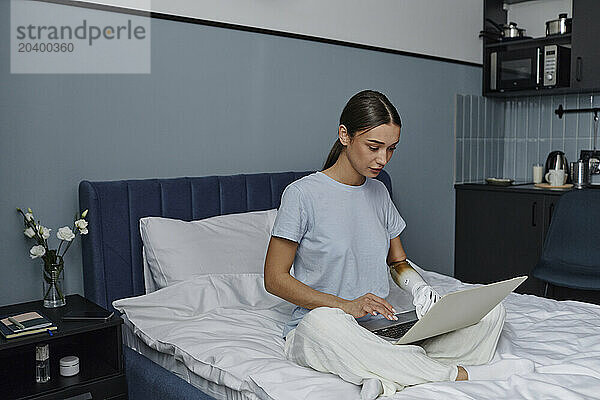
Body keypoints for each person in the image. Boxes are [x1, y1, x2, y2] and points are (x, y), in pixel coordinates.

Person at [263, 90, 533, 397]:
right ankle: (455, 374)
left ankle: (386, 373)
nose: (383, 159)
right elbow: (274, 279)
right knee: (321, 325)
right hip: (326, 327)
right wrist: (346, 306)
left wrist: (418, 288)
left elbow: (397, 262)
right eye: (374, 147)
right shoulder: (301, 195)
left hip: (380, 330)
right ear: (344, 135)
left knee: (490, 312)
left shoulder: (379, 193)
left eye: (392, 149)